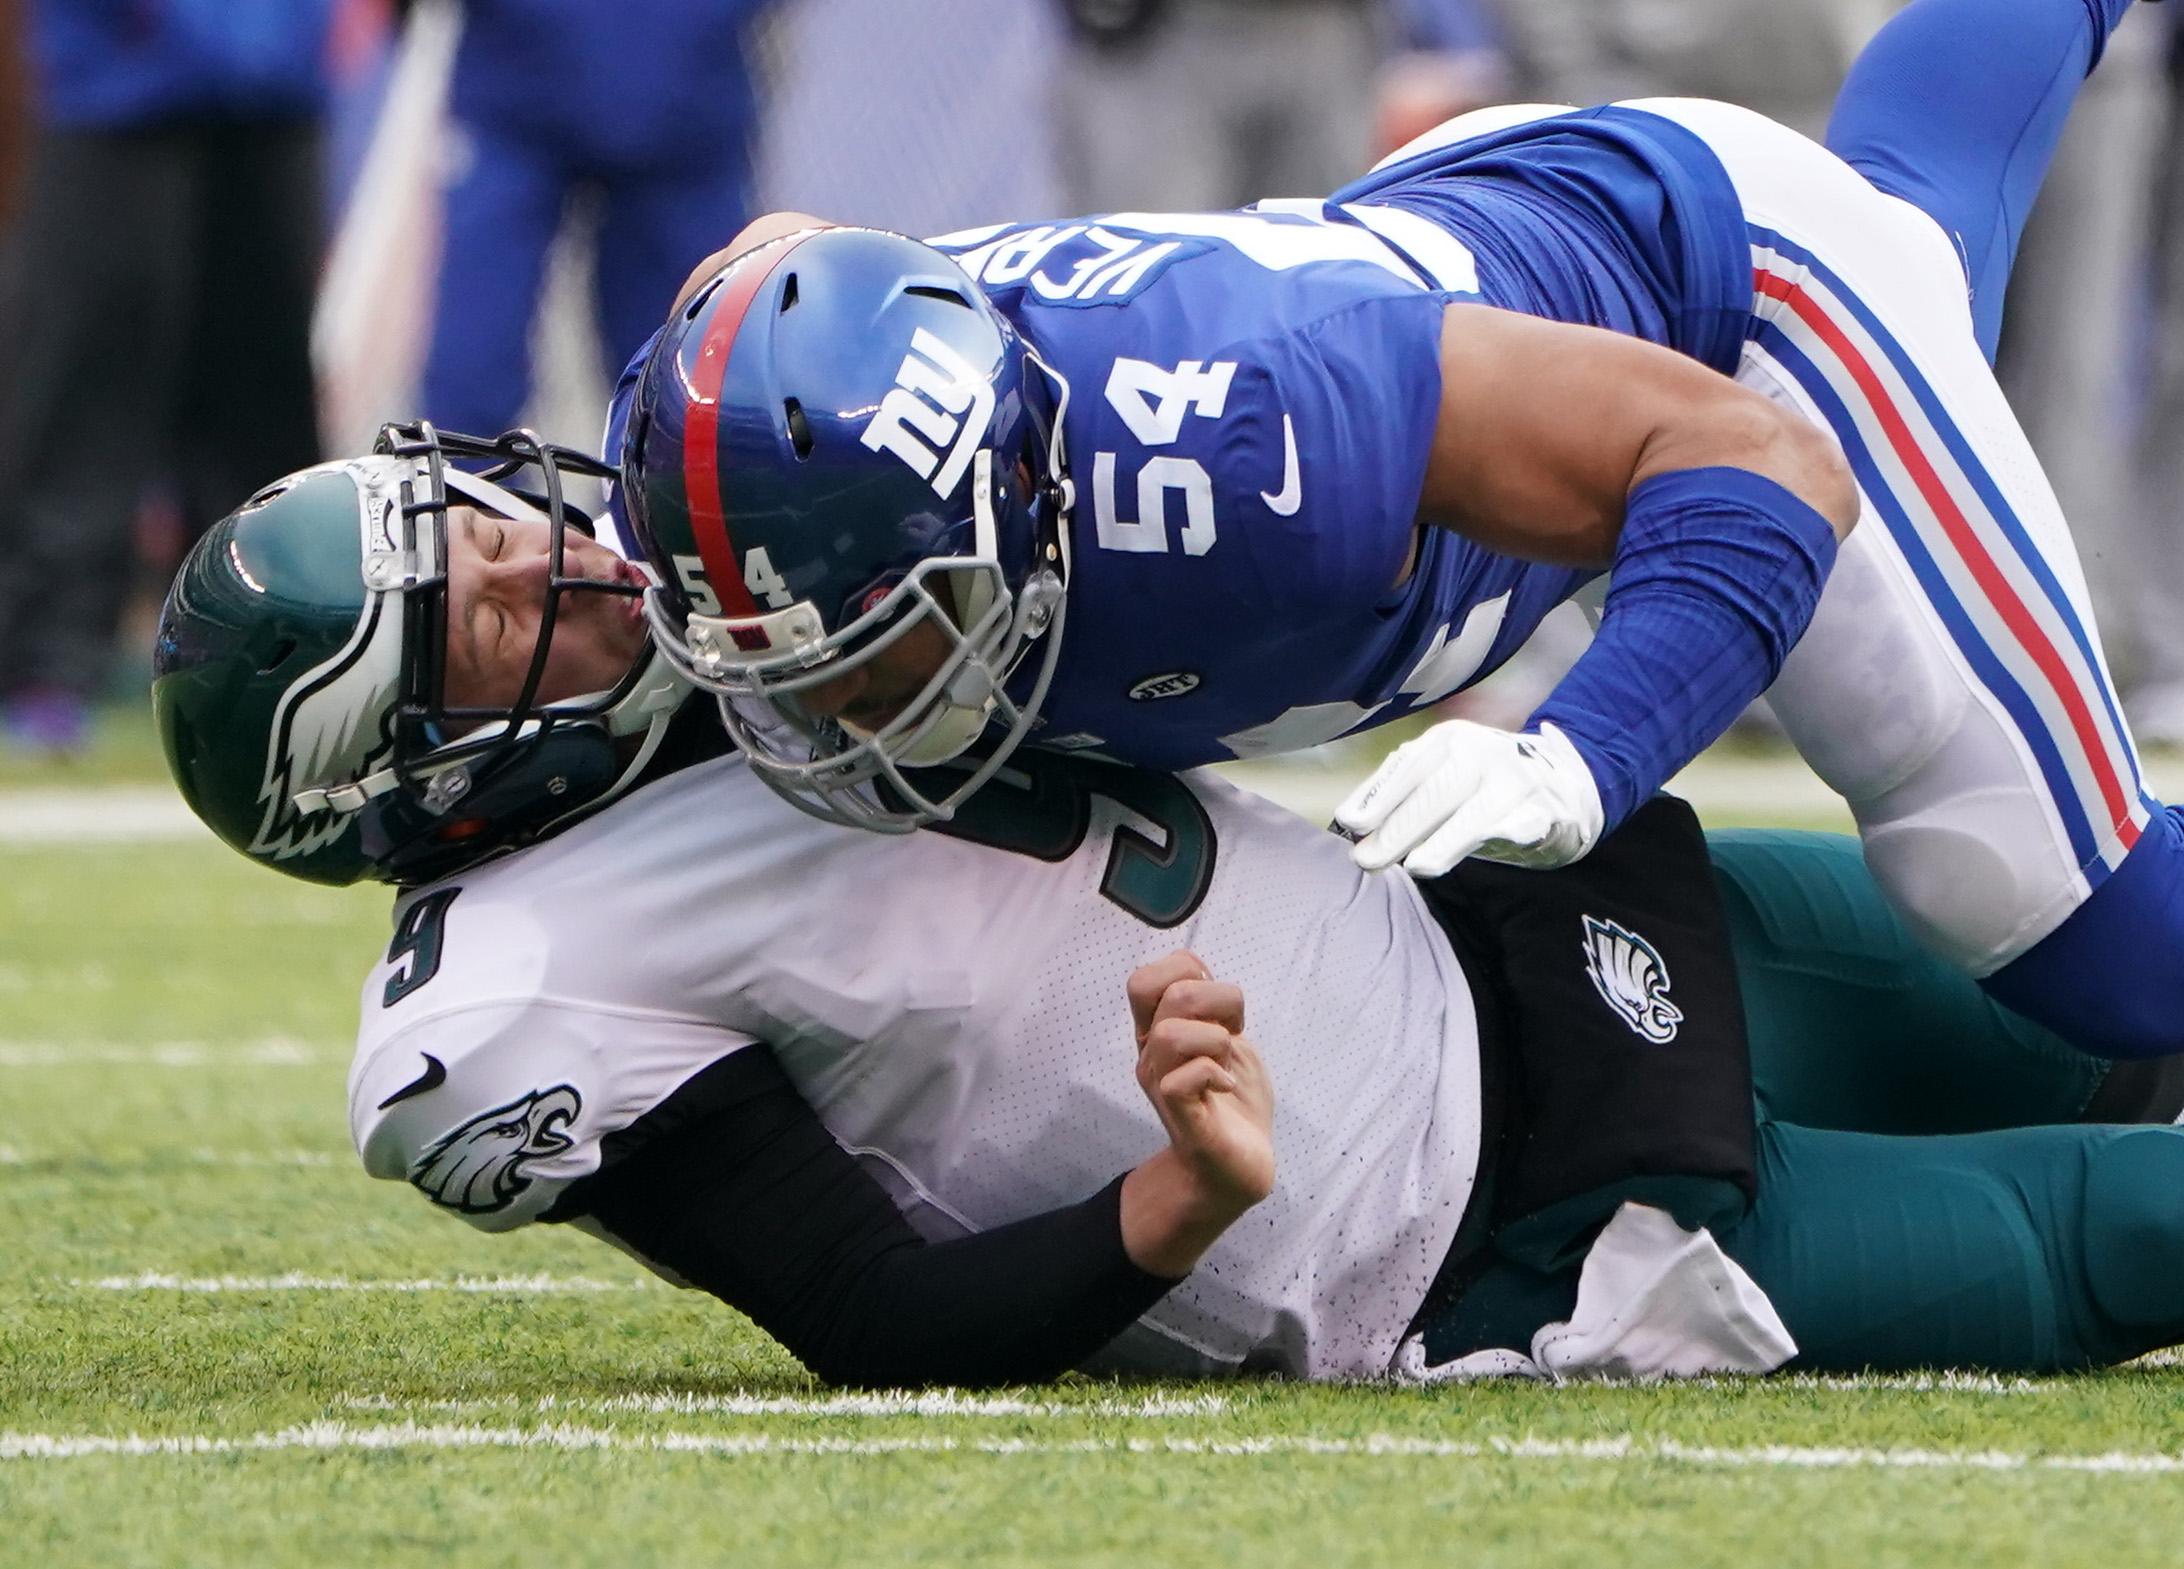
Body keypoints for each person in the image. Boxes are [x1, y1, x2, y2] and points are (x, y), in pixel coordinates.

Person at [149, 436, 2184, 1385]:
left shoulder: (744, 550)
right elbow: (872, 1321)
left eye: (511, 520)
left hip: (1497, 904)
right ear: (419, 777)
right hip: (1486, 1219)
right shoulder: (527, 981)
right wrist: (1180, 1195)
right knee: (2128, 1232)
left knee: (2127, 940)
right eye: (501, 606)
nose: (571, 555)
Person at [615, 0, 2184, 1065]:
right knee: (1926, 218)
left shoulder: (1256, 444)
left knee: (2060, 922)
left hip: (1732, 308)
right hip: (1461, 251)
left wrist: (1575, 755)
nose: (831, 719)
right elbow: (784, 261)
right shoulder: (825, 397)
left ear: (1017, 500)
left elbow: (1754, 461)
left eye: (890, 649)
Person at [0, 0, 330, 754]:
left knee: (265, 402)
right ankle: (46, 663)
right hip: (114, 83)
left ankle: (281, 657)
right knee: (83, 384)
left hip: (275, 78)